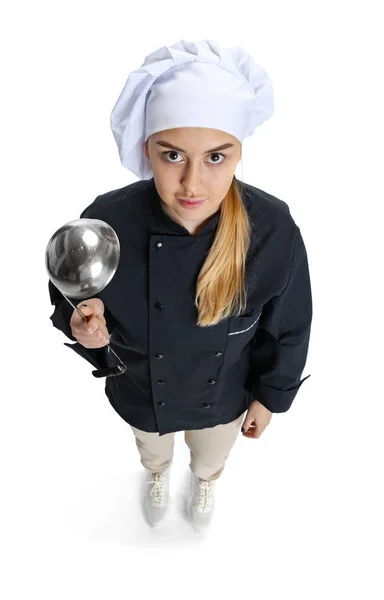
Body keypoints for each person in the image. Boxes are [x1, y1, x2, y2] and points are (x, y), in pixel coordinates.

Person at [48, 39, 313, 533]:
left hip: (225, 396)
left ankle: (205, 478)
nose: (192, 184)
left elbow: (290, 325)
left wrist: (271, 396)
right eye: (172, 155)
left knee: (212, 453)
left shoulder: (272, 228)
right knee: (151, 446)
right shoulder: (108, 219)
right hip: (143, 389)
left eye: (216, 157)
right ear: (146, 148)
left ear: (238, 153)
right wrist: (84, 328)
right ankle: (156, 473)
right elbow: (71, 294)